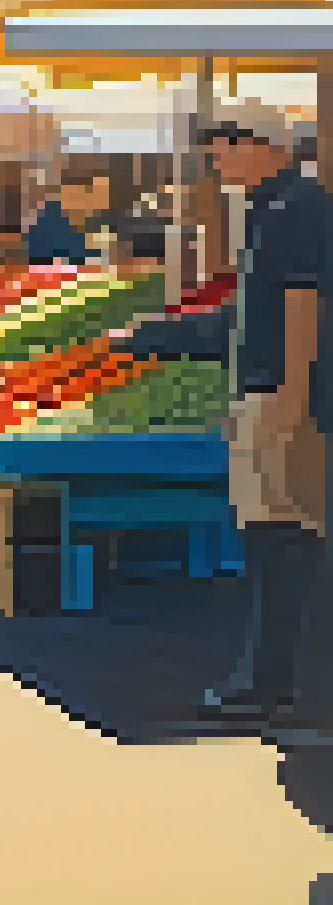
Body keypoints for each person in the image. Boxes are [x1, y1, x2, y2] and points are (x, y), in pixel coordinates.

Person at [184, 101, 325, 727]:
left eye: (226, 142)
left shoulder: (297, 208)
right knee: (269, 540)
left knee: (281, 541)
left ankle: (272, 684)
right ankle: (268, 678)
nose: (217, 154)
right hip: (266, 391)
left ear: (265, 144)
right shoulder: (272, 208)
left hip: (280, 397)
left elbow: (304, 305)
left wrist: (291, 399)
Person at [24, 165, 118, 266]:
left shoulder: (100, 222)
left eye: (105, 194)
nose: (102, 202)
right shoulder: (49, 221)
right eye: (96, 192)